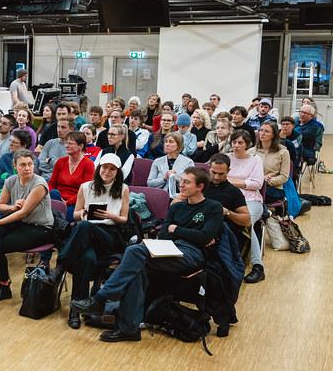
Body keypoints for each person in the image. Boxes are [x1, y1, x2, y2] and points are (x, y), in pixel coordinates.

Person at [72, 168, 223, 343]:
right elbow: (165, 234)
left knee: (135, 252)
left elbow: (204, 237)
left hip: (192, 253)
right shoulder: (176, 206)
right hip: (168, 247)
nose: (181, 185)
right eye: (181, 181)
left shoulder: (213, 207)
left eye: (186, 182)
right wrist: (181, 232)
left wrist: (177, 229)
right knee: (137, 264)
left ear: (200, 187)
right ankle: (129, 329)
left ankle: (101, 299)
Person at [0, 150, 54, 301]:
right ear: (15, 166)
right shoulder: (11, 181)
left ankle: (2, 284)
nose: (27, 168)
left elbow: (23, 213)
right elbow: (0, 206)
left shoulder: (39, 184)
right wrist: (12, 207)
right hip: (22, 223)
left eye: (30, 164)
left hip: (42, 228)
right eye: (22, 165)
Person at [60, 153, 130, 329]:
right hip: (86, 237)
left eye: (112, 169)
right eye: (104, 167)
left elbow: (124, 218)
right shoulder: (86, 187)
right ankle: (77, 308)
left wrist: (110, 215)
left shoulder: (123, 188)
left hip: (109, 234)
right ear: (99, 168)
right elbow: (76, 214)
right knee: (86, 259)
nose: (107, 171)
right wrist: (84, 213)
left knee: (84, 227)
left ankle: (61, 264)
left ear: (117, 172)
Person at [226, 129, 266, 284]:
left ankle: (258, 266)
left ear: (247, 144)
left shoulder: (255, 160)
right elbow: (214, 176)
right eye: (234, 142)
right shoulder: (226, 158)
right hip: (229, 199)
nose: (236, 145)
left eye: (240, 142)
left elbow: (257, 184)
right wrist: (242, 182)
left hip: (251, 200)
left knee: (246, 222)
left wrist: (231, 182)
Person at [204, 153, 251, 246]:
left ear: (228, 171)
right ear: (209, 168)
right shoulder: (200, 186)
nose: (216, 177)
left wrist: (227, 212)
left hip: (222, 232)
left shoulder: (233, 191)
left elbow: (247, 220)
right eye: (214, 172)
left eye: (221, 174)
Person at [48, 131, 94, 220]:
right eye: (66, 143)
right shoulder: (60, 162)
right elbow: (51, 183)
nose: (66, 146)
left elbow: (85, 190)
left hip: (76, 202)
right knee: (53, 193)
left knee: (67, 214)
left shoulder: (88, 164)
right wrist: (60, 202)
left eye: (70, 143)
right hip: (57, 197)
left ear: (81, 146)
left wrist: (67, 202)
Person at [148, 131, 193, 196]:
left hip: (180, 195)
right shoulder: (157, 161)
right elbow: (149, 183)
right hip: (160, 195)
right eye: (166, 142)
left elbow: (190, 184)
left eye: (171, 142)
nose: (167, 144)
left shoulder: (188, 162)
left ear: (178, 145)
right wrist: (164, 178)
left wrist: (176, 177)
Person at [254, 122, 291, 202]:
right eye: (261, 130)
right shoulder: (252, 151)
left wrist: (267, 181)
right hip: (254, 185)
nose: (262, 133)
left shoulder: (283, 152)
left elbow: (284, 177)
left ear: (274, 135)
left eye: (266, 131)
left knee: (255, 195)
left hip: (273, 188)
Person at [294, 104, 324, 168]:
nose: (302, 114)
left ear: (311, 116)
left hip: (305, 150)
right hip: (293, 146)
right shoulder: (296, 122)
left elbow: (301, 135)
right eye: (301, 112)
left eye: (305, 113)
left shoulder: (315, 126)